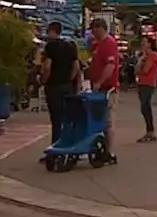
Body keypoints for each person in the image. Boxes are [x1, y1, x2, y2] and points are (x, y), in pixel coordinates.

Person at [87, 18, 120, 163]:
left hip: (108, 88)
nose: (92, 33)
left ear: (100, 28)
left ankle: (109, 152)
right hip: (98, 88)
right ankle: (102, 148)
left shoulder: (109, 44)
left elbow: (110, 66)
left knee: (108, 121)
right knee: (99, 120)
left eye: (94, 30)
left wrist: (100, 82)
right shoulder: (98, 45)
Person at [40, 22, 79, 145]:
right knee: (67, 117)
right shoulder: (70, 46)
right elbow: (76, 67)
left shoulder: (50, 47)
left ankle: (56, 147)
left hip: (54, 87)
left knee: (56, 120)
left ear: (51, 31)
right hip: (67, 86)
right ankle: (68, 144)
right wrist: (69, 79)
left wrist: (44, 80)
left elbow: (47, 67)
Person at [136, 36, 157, 142]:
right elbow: (137, 70)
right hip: (142, 82)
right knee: (145, 107)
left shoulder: (152, 56)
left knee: (145, 107)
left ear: (150, 44)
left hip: (148, 83)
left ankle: (150, 131)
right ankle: (150, 131)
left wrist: (140, 67)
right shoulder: (144, 56)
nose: (142, 44)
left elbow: (145, 70)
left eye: (144, 42)